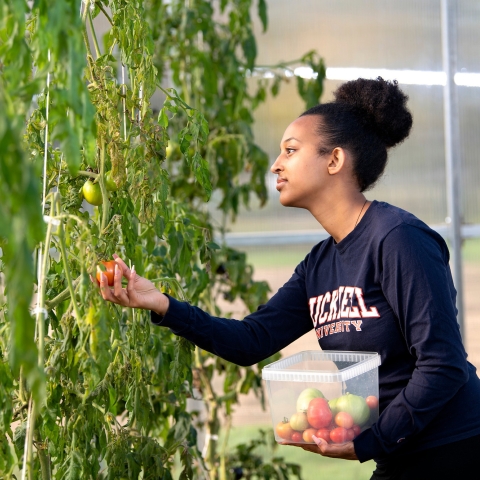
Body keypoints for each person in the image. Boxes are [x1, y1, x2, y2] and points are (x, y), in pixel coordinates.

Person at [98, 77, 480, 479]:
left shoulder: (397, 238)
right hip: (401, 453)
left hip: (457, 447)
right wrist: (162, 304)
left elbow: (443, 364)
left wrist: (372, 440)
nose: (275, 165)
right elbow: (251, 341)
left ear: (334, 161)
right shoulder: (320, 264)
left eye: (291, 151)